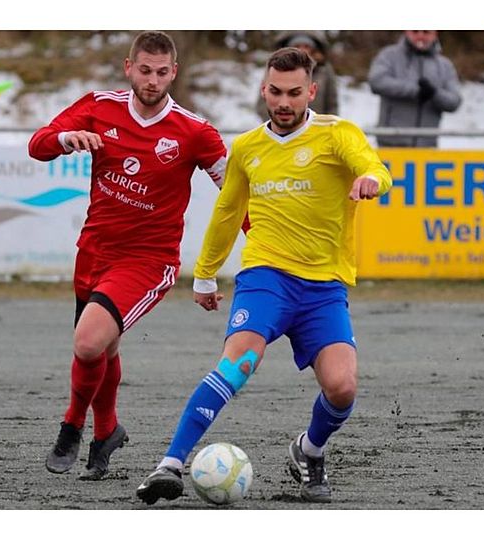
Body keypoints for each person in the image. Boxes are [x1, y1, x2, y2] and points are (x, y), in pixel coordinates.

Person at [135, 47, 391, 505]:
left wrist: (371, 180)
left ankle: (308, 451)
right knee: (238, 363)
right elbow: (228, 211)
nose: (284, 102)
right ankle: (169, 464)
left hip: (324, 287)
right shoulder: (249, 147)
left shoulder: (338, 135)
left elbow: (375, 167)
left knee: (343, 387)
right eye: (276, 92)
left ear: (311, 91)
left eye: (295, 93)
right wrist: (206, 274)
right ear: (263, 89)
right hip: (265, 276)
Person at [27, 31, 227, 481]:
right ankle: (108, 432)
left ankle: (71, 426)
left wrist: (261, 245)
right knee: (102, 347)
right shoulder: (99, 107)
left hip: (148, 261)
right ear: (128, 67)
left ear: (173, 72)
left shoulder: (194, 132)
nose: (152, 81)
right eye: (144, 70)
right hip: (94, 251)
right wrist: (67, 138)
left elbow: (236, 197)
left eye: (161, 73)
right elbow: (38, 143)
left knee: (87, 341)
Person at [368, 30, 462, 148]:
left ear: (435, 34)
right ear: (406, 32)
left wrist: (434, 93)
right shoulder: (389, 56)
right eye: (415, 31)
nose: (420, 36)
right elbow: (377, 81)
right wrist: (415, 91)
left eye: (426, 32)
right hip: (390, 146)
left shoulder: (445, 65)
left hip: (427, 149)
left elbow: (454, 101)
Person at [255, 31, 338, 119]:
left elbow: (332, 103)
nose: (302, 49)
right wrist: (277, 123)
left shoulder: (324, 70)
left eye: (306, 46)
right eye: (297, 46)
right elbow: (262, 103)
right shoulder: (275, 69)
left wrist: (327, 125)